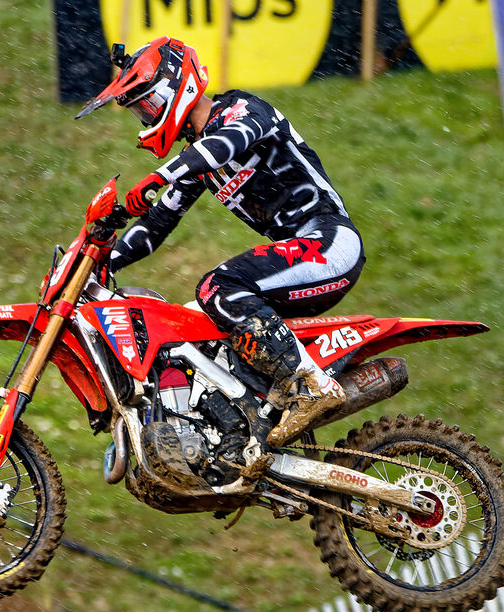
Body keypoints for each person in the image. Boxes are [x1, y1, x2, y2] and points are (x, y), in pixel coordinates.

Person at [76, 36, 366, 449]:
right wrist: (99, 262)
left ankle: (311, 387)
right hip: (301, 255)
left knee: (218, 286)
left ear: (177, 87)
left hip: (329, 241)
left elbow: (225, 144)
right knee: (186, 327)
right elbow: (156, 224)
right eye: (141, 110)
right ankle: (238, 431)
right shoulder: (197, 159)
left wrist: (160, 176)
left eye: (148, 104)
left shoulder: (243, 111)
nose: (147, 117)